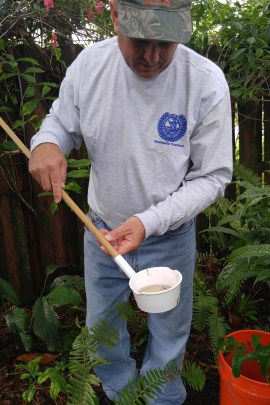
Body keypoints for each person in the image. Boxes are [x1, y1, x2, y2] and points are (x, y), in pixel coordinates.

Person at [29, 0, 233, 403]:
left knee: (170, 332)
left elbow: (213, 176)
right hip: (101, 230)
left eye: (167, 42)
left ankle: (162, 398)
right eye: (141, 40)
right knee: (101, 328)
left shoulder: (205, 81)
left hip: (170, 236)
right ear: (116, 17)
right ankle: (119, 394)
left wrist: (149, 221)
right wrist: (46, 143)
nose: (153, 57)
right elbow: (59, 121)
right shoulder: (89, 67)